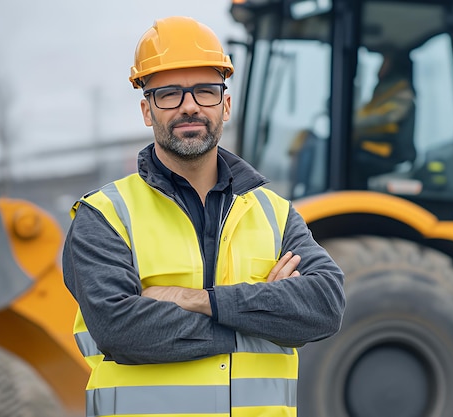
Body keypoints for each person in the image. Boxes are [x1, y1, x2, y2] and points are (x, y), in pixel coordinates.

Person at [62, 16, 345, 417]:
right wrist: (264, 318)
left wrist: (190, 299)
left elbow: (325, 306)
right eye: (170, 94)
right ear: (147, 110)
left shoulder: (274, 212)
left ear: (225, 104)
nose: (190, 106)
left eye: (205, 91)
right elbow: (121, 330)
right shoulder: (105, 216)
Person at [353, 49, 417, 186]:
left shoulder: (402, 92)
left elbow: (385, 117)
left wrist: (352, 121)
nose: (380, 67)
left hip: (389, 152)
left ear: (395, 65)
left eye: (384, 61)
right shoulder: (384, 90)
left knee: (348, 159)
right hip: (374, 146)